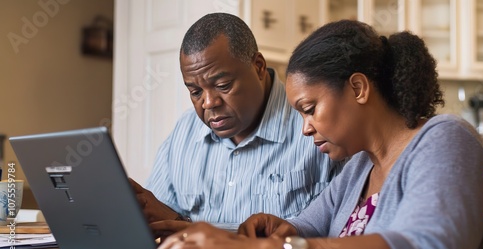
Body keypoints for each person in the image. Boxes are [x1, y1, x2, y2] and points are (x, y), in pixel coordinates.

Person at [142, 20, 483, 249]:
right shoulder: (360, 166)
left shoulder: (445, 138)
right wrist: (275, 231)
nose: (305, 127)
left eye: (310, 109)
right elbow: (306, 226)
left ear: (357, 88)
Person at [131, 13, 345, 235]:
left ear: (259, 66)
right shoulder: (184, 133)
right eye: (195, 92)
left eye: (223, 85)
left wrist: (191, 229)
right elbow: (159, 222)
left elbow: (338, 234)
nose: (208, 103)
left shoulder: (316, 127)